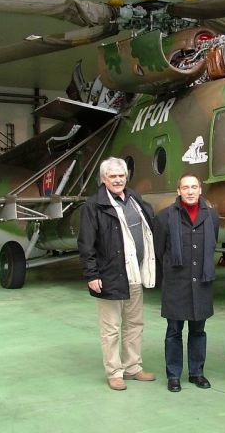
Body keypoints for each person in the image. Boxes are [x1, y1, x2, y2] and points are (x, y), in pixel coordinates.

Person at [78, 157, 156, 391]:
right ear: (104, 179)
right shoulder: (94, 206)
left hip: (135, 273)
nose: (118, 180)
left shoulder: (134, 199)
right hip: (109, 275)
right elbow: (86, 243)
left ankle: (133, 367)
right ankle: (114, 372)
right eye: (112, 176)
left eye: (121, 175)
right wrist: (92, 274)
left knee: (134, 323)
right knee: (111, 328)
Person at [153, 174, 219, 393]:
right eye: (185, 187)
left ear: (200, 190)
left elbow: (211, 245)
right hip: (176, 283)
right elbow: (159, 250)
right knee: (174, 331)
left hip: (202, 282)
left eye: (194, 187)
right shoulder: (165, 217)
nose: (190, 191)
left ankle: (196, 372)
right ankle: (173, 375)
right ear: (178, 191)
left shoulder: (211, 216)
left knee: (198, 331)